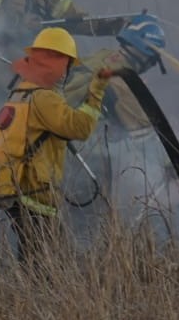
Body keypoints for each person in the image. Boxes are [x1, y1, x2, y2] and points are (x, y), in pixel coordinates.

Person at [0, 27, 112, 264]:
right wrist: (96, 93)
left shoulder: (21, 92)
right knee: (45, 267)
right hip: (34, 195)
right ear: (59, 64)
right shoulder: (44, 97)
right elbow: (80, 128)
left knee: (36, 261)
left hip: (20, 191)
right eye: (67, 65)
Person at [60, 13, 168, 203]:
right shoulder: (123, 79)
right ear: (146, 54)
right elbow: (145, 135)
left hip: (57, 143)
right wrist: (172, 164)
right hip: (83, 156)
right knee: (89, 214)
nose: (150, 66)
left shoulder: (103, 56)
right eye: (152, 60)